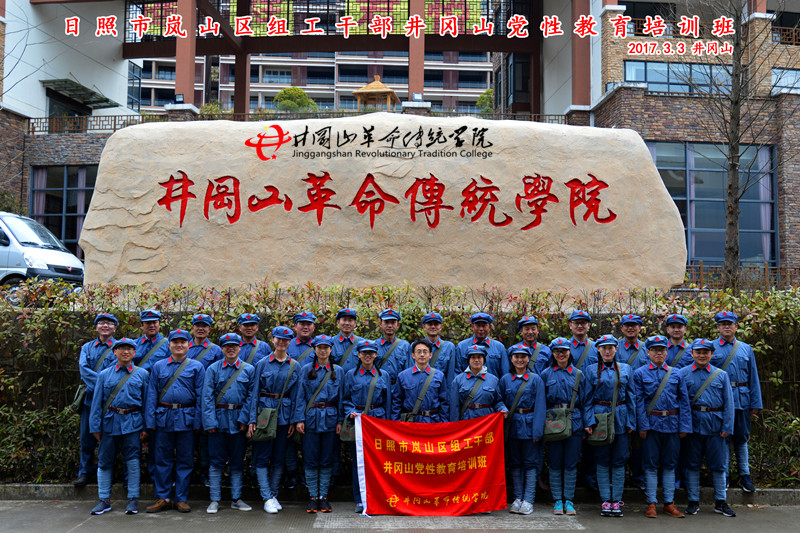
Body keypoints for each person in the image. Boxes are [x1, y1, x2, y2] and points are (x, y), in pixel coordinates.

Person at [144, 329, 205, 513]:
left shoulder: (196, 367)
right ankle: (162, 497)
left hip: (187, 417)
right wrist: (150, 421)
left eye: (183, 342)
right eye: (175, 342)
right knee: (162, 460)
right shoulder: (158, 366)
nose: (179, 345)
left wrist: (198, 422)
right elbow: (152, 395)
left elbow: (202, 396)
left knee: (185, 460)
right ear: (169, 344)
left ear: (189, 345)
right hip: (164, 417)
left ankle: (181, 498)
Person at [88, 337, 149, 516]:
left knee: (133, 461)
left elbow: (147, 402)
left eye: (129, 349)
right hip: (109, 422)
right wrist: (95, 427)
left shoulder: (142, 374)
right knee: (105, 461)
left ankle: (133, 499)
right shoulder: (104, 375)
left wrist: (145, 427)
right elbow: (97, 402)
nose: (125, 352)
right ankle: (104, 500)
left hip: (133, 422)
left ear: (134, 353)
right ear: (114, 352)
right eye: (121, 348)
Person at [633, 335, 692, 519]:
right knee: (650, 465)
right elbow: (638, 401)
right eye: (655, 350)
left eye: (662, 350)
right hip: (651, 426)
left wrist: (684, 426)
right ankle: (651, 503)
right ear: (648, 352)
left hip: (672, 425)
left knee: (669, 465)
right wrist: (642, 425)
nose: (659, 353)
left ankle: (669, 503)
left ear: (667, 352)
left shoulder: (676, 373)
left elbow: (683, 401)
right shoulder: (640, 373)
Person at [680, 338, 736, 517]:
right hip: (693, 425)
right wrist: (683, 426)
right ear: (692, 354)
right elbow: (680, 403)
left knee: (718, 465)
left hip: (715, 426)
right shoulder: (683, 373)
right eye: (698, 352)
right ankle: (693, 501)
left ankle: (721, 501)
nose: (702, 355)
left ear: (712, 354)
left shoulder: (721, 375)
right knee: (692, 464)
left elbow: (729, 403)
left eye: (706, 352)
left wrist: (727, 426)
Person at [202, 332, 256, 514]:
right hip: (218, 420)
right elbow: (207, 397)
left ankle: (236, 498)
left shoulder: (248, 370)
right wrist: (209, 421)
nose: (230, 349)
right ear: (222, 348)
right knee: (216, 461)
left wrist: (245, 419)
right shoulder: (213, 369)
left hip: (238, 420)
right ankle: (215, 499)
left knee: (237, 461)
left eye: (234, 345)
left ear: (240, 347)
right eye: (227, 346)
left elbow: (251, 396)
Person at [249, 326, 300, 514]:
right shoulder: (262, 363)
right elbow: (254, 392)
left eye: (286, 340)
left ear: (290, 342)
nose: (282, 343)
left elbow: (297, 396)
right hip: (264, 415)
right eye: (279, 339)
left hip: (284, 416)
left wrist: (295, 421)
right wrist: (251, 419)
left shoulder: (295, 366)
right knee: (262, 456)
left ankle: (273, 494)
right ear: (272, 340)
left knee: (279, 457)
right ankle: (266, 497)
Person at [585, 334, 636, 517]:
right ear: (598, 349)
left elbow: (631, 398)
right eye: (604, 348)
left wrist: (631, 421)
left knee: (620, 460)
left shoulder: (626, 369)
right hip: (600, 419)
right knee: (602, 460)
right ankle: (606, 500)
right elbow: (587, 399)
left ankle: (617, 500)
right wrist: (589, 421)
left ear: (616, 349)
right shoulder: (590, 370)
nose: (607, 351)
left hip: (621, 418)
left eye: (611, 347)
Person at [711, 311, 762, 494]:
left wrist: (755, 403)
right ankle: (723, 476)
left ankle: (745, 475)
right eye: (722, 323)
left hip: (741, 400)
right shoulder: (711, 348)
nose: (726, 326)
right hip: (720, 401)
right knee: (722, 439)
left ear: (736, 326)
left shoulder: (745, 348)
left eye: (730, 323)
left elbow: (753, 377)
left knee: (741, 439)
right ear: (717, 327)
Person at [292, 335, 343, 513]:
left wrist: (340, 421)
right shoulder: (306, 369)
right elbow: (300, 396)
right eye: (319, 348)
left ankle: (324, 497)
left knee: (327, 458)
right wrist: (299, 419)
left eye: (326, 348)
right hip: (311, 419)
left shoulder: (338, 370)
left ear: (331, 350)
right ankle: (313, 496)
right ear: (314, 350)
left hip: (330, 419)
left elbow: (341, 399)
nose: (323, 351)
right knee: (311, 459)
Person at [541, 337, 591, 516]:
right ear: (553, 354)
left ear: (570, 353)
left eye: (564, 351)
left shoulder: (578, 374)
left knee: (571, 463)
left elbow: (586, 402)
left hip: (575, 423)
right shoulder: (546, 374)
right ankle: (557, 500)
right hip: (553, 422)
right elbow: (541, 402)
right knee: (554, 463)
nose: (561, 354)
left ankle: (569, 500)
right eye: (557, 352)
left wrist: (587, 424)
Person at [341, 339, 392, 513]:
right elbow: (345, 399)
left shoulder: (383, 375)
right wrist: (350, 412)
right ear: (359, 355)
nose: (368, 356)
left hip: (377, 422)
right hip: (358, 422)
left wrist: (388, 425)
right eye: (364, 353)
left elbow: (388, 403)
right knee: (359, 461)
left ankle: (377, 496)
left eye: (371, 353)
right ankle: (360, 499)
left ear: (376, 355)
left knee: (378, 462)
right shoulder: (350, 375)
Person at [499, 345, 545, 515]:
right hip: (512, 425)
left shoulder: (535, 379)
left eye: (523, 357)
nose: (519, 360)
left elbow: (540, 406)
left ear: (528, 359)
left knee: (530, 463)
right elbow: (500, 400)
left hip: (530, 425)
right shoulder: (505, 379)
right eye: (516, 356)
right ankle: (517, 497)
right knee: (515, 463)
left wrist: (537, 431)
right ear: (511, 359)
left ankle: (529, 499)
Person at [75, 312, 118, 488]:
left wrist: (105, 386)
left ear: (115, 328)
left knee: (109, 438)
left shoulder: (120, 347)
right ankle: (84, 473)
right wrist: (102, 384)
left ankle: (107, 473)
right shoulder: (87, 348)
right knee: (86, 437)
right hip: (90, 399)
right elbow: (84, 370)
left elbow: (118, 370)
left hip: (111, 401)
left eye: (109, 323)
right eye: (101, 323)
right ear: (96, 327)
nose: (105, 326)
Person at [188, 313, 222, 487]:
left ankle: (205, 471)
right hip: (187, 401)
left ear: (210, 329)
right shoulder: (185, 347)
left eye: (204, 326)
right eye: (197, 325)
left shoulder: (216, 350)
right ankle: (189, 472)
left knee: (205, 439)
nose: (201, 329)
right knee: (187, 440)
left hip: (207, 400)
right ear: (192, 328)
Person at [392, 338, 449, 423]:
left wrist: (444, 423)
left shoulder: (439, 376)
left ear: (430, 355)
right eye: (418, 352)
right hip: (411, 422)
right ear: (413, 355)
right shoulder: (403, 376)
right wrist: (397, 423)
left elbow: (444, 403)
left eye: (425, 352)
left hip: (433, 421)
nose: (422, 355)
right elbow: (397, 402)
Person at [449, 345, 507, 422]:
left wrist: (503, 409)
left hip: (486, 421)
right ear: (468, 360)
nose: (476, 360)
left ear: (484, 360)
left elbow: (497, 401)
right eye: (473, 357)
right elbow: (454, 407)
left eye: (479, 357)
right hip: (467, 420)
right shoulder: (458, 380)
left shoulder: (493, 380)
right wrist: (455, 426)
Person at [455, 312, 508, 378]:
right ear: (472, 327)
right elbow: (457, 373)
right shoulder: (462, 347)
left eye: (484, 325)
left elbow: (505, 374)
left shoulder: (499, 347)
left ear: (490, 327)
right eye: (478, 325)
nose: (481, 329)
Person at [372, 309, 411, 385]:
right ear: (380, 324)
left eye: (393, 322)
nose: (389, 326)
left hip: (398, 389)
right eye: (386, 322)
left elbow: (409, 371)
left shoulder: (405, 346)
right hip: (378, 387)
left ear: (398, 325)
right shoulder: (374, 345)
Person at [421, 312, 456, 384]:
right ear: (424, 327)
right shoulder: (416, 346)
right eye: (430, 324)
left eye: (436, 324)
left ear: (441, 327)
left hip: (441, 389)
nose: (433, 326)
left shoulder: (449, 347)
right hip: (421, 390)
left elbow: (450, 375)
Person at [331, 308, 364, 374]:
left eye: (350, 320)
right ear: (338, 322)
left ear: (355, 324)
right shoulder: (330, 343)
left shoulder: (362, 343)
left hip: (355, 382)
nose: (347, 323)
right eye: (344, 320)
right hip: (337, 381)